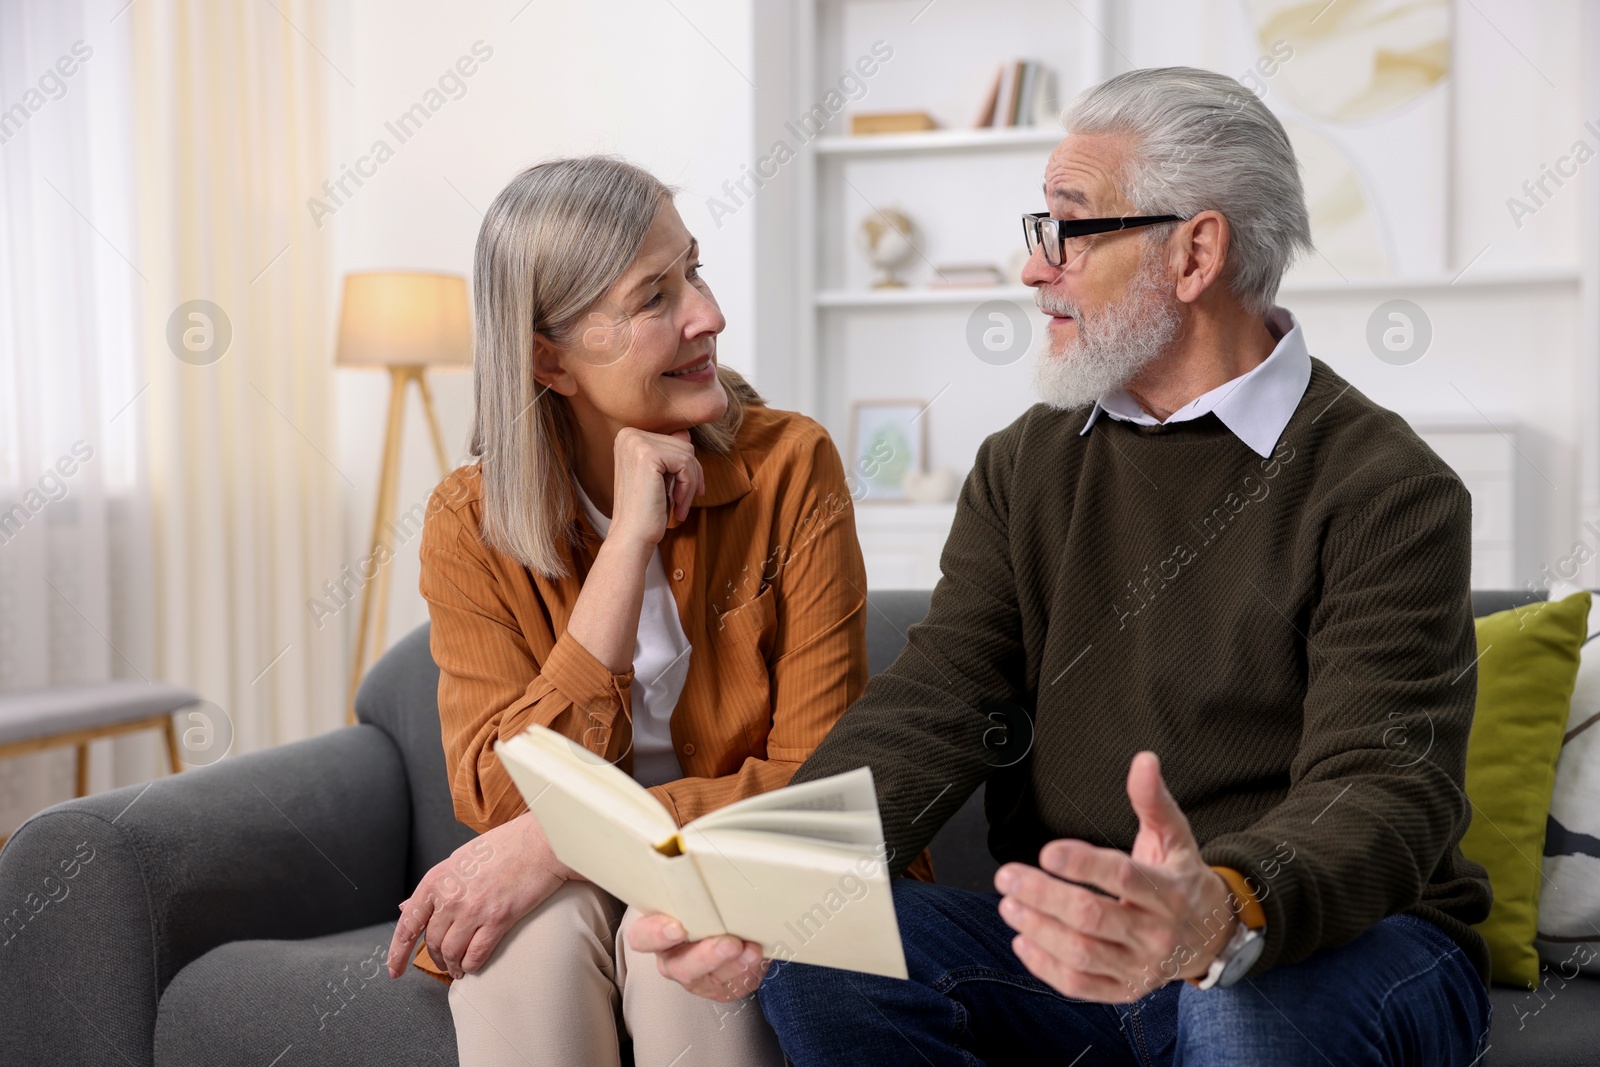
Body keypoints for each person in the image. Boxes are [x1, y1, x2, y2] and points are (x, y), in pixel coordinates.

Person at [654, 67, 1495, 1065]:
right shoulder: (1025, 464)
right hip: (1077, 951)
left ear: (1194, 252)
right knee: (820, 949)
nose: (1029, 269)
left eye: (1066, 227)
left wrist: (1218, 910)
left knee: (1235, 999)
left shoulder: (1385, 485)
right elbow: (937, 701)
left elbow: (1381, 785)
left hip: (1335, 941)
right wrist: (768, 877)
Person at [383, 155, 927, 1067]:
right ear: (548, 356)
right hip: (604, 878)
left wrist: (570, 838)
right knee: (524, 945)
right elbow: (498, 795)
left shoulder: (794, 467)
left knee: (673, 933)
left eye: (696, 270)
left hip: (763, 862)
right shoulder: (466, 520)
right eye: (654, 297)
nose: (707, 314)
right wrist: (627, 545)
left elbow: (816, 780)